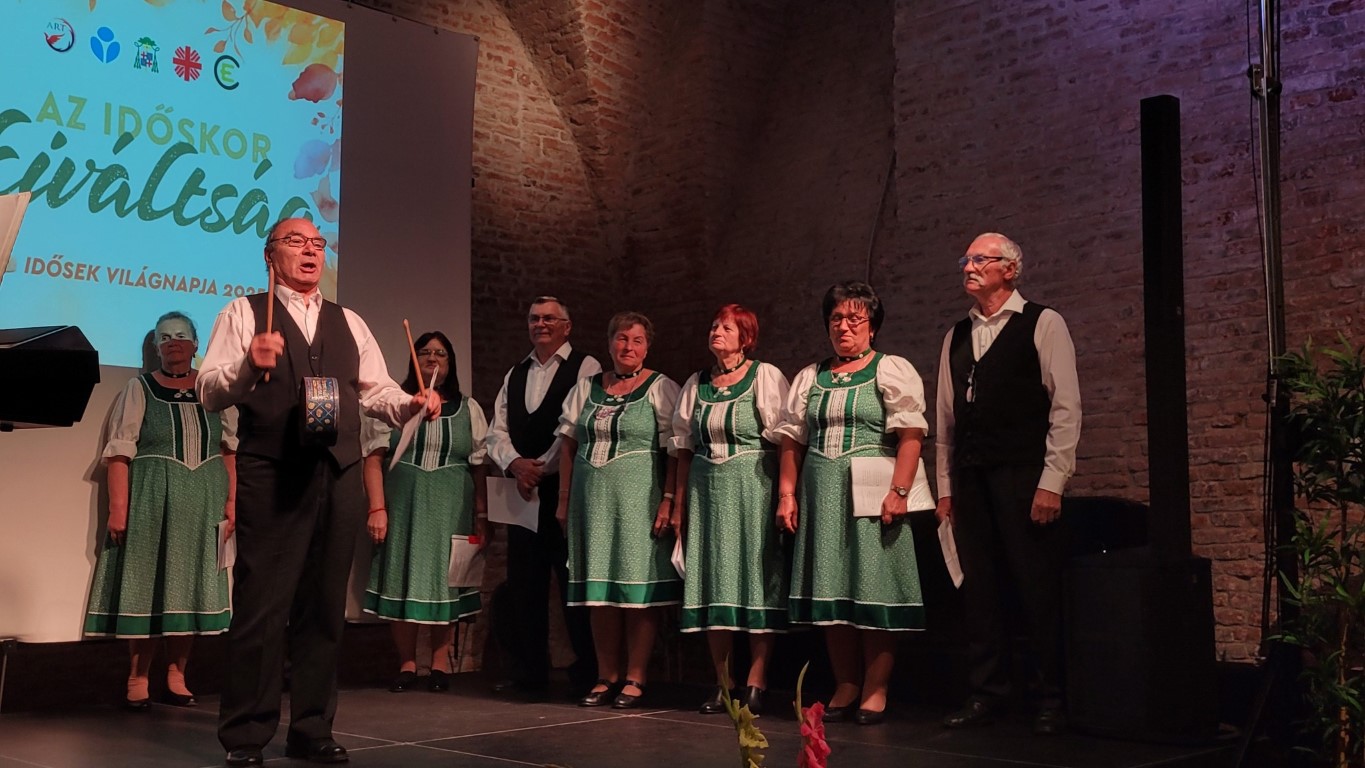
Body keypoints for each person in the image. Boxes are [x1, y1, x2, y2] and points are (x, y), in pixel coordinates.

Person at [198, 218, 440, 768]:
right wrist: (248, 365)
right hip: (272, 472)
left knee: (325, 607)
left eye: (317, 243)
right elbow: (209, 390)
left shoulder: (348, 321)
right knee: (262, 606)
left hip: (338, 472)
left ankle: (311, 728)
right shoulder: (242, 313)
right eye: (296, 242)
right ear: (270, 256)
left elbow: (376, 391)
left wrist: (409, 404)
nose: (310, 251)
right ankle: (246, 734)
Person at [936, 233, 1081, 736]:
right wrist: (946, 489)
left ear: (1010, 270)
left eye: (981, 259)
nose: (969, 266)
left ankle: (1050, 697)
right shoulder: (956, 335)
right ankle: (987, 693)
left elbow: (1066, 407)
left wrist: (1053, 481)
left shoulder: (1043, 322)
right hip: (971, 477)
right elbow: (946, 421)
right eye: (966, 259)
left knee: (1035, 585)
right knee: (981, 588)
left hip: (1023, 473)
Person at [774, 281, 932, 726]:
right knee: (832, 587)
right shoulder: (811, 376)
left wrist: (899, 491)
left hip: (871, 494)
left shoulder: (889, 369)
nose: (844, 327)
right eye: (836, 319)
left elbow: (911, 435)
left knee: (873, 586)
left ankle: (876, 687)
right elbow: (792, 441)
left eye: (855, 319)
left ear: (872, 327)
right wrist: (787, 494)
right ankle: (845, 683)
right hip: (822, 493)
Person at [85, 311, 236, 709]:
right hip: (153, 499)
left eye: (181, 335)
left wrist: (232, 502)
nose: (173, 342)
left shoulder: (213, 391)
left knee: (190, 586)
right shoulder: (140, 389)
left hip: (204, 501)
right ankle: (138, 675)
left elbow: (229, 451)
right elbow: (120, 453)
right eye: (165, 337)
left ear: (196, 344)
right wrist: (118, 509)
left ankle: (177, 674)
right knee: (148, 585)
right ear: (156, 347)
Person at [556, 311, 681, 709]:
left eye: (637, 340)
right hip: (591, 501)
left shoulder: (661, 388)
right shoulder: (587, 387)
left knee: (635, 589)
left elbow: (676, 448)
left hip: (639, 500)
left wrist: (669, 498)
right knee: (600, 592)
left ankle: (635, 676)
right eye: (622, 339)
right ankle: (605, 674)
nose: (628, 347)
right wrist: (563, 499)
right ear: (610, 343)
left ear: (648, 347)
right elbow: (568, 444)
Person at [671, 304, 790, 715]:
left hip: (753, 487)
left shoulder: (765, 376)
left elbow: (784, 439)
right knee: (713, 579)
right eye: (714, 326)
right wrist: (678, 504)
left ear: (746, 338)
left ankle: (757, 678)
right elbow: (683, 448)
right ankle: (723, 681)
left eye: (726, 328)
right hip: (707, 491)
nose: (716, 332)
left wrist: (785, 494)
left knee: (756, 577)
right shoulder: (697, 383)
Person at [361, 330, 488, 694]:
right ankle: (407, 663)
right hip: (404, 505)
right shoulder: (393, 405)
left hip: (452, 507)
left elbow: (479, 466)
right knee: (403, 576)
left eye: (441, 353)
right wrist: (377, 508)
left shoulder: (469, 409)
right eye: (425, 353)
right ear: (414, 360)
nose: (433, 358)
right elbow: (373, 459)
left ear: (451, 362)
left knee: (446, 582)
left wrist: (482, 516)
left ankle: (440, 663)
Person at [485, 296, 600, 696]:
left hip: (564, 492)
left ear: (567, 326)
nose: (541, 324)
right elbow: (496, 431)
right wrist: (516, 464)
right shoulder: (515, 372)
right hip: (522, 492)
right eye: (534, 318)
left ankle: (588, 672)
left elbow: (574, 429)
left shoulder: (586, 367)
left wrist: (540, 468)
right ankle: (529, 674)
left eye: (550, 318)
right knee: (524, 584)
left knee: (572, 584)